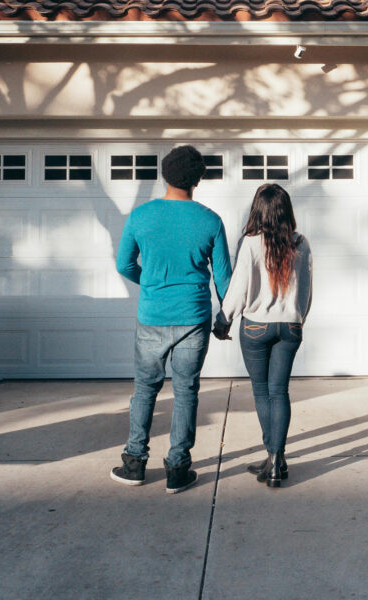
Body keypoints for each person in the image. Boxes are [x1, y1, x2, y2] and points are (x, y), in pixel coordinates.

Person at [111, 145, 232, 494]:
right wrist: (225, 318)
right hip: (193, 317)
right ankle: (178, 469)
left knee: (145, 389)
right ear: (198, 178)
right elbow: (224, 280)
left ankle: (134, 463)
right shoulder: (210, 220)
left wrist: (149, 282)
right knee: (186, 391)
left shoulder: (141, 216)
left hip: (152, 316)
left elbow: (123, 265)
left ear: (164, 175)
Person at [213, 183, 312, 488]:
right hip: (290, 327)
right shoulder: (301, 242)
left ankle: (272, 458)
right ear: (286, 210)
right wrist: (298, 319)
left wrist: (223, 319)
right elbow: (306, 290)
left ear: (258, 210)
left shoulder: (252, 242)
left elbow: (239, 286)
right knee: (279, 392)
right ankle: (276, 460)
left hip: (256, 326)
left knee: (261, 392)